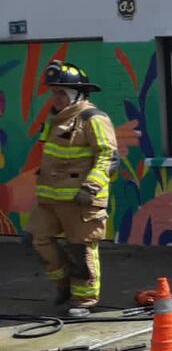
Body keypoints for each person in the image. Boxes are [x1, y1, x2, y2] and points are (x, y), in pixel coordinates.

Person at [30, 61, 117, 317]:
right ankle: (64, 287)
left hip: (82, 199)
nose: (55, 98)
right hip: (50, 198)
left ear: (76, 94)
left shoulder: (93, 118)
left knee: (81, 248)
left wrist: (91, 187)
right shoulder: (56, 120)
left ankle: (84, 299)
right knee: (39, 240)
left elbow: (108, 156)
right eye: (53, 93)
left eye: (61, 93)